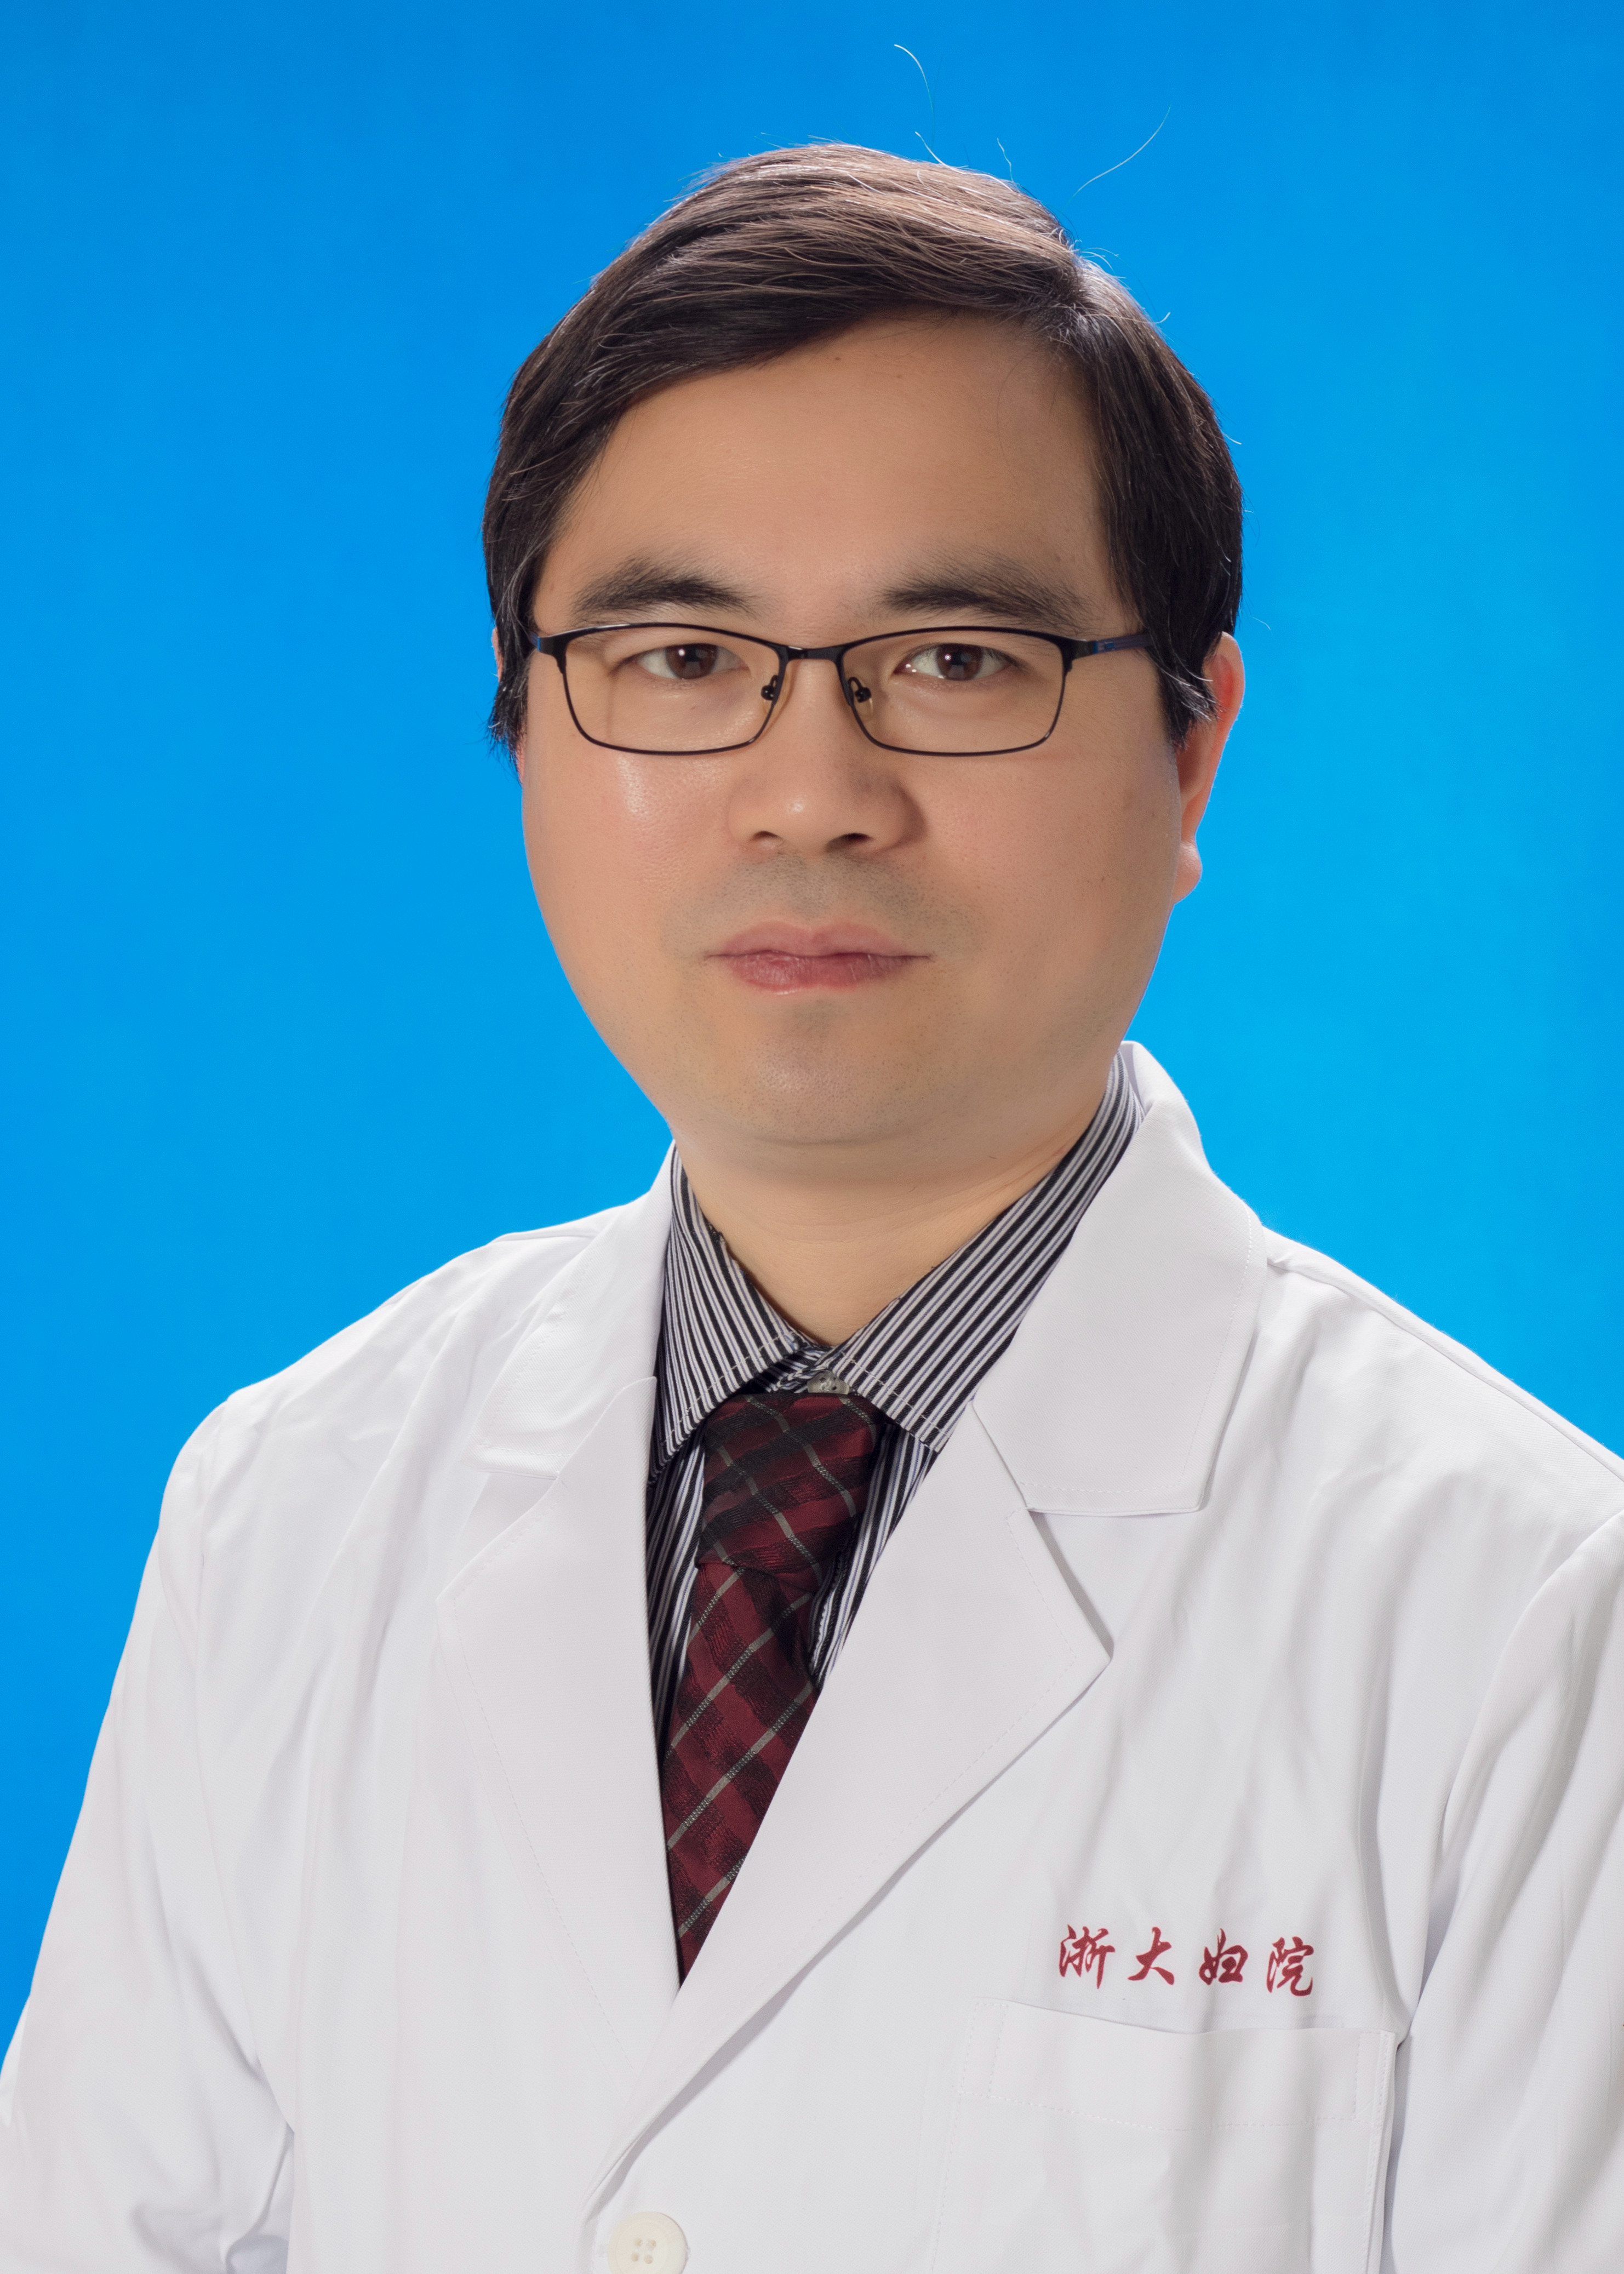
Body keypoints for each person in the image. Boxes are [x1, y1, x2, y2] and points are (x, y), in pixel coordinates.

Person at [2, 143, 1620, 2274]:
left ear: (1191, 747)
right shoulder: (287, 1514)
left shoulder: (1534, 1621)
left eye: (954, 660)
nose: (809, 794)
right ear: (523, 725)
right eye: (680, 656)